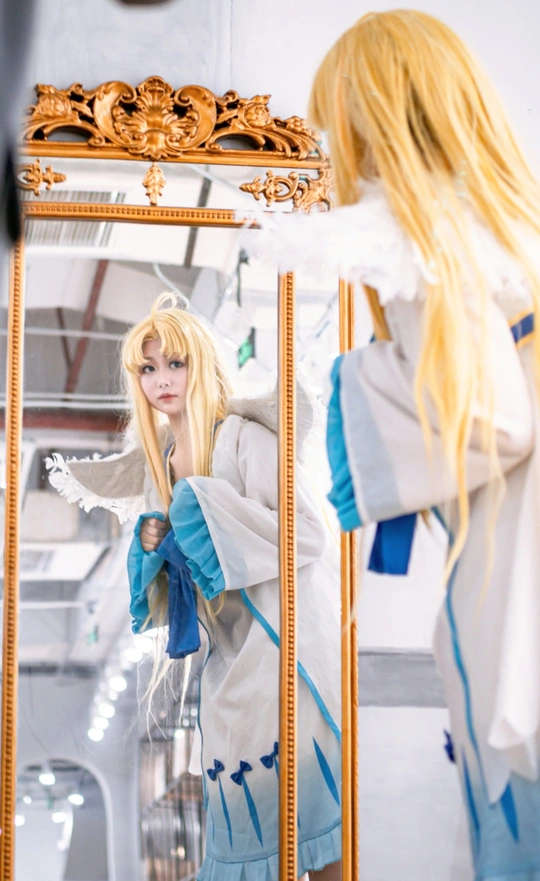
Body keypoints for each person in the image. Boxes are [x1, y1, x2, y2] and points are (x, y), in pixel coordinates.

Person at [241, 9, 540, 880]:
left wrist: (354, 378)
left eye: (335, 126)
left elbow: (494, 422)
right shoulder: (511, 229)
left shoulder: (423, 237)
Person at [47, 293, 342, 881]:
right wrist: (156, 545)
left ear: (201, 363)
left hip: (287, 650)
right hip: (228, 663)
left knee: (319, 827)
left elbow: (308, 532)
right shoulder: (163, 461)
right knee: (251, 828)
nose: (162, 379)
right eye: (148, 368)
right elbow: (178, 586)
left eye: (175, 363)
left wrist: (206, 510)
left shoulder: (243, 438)